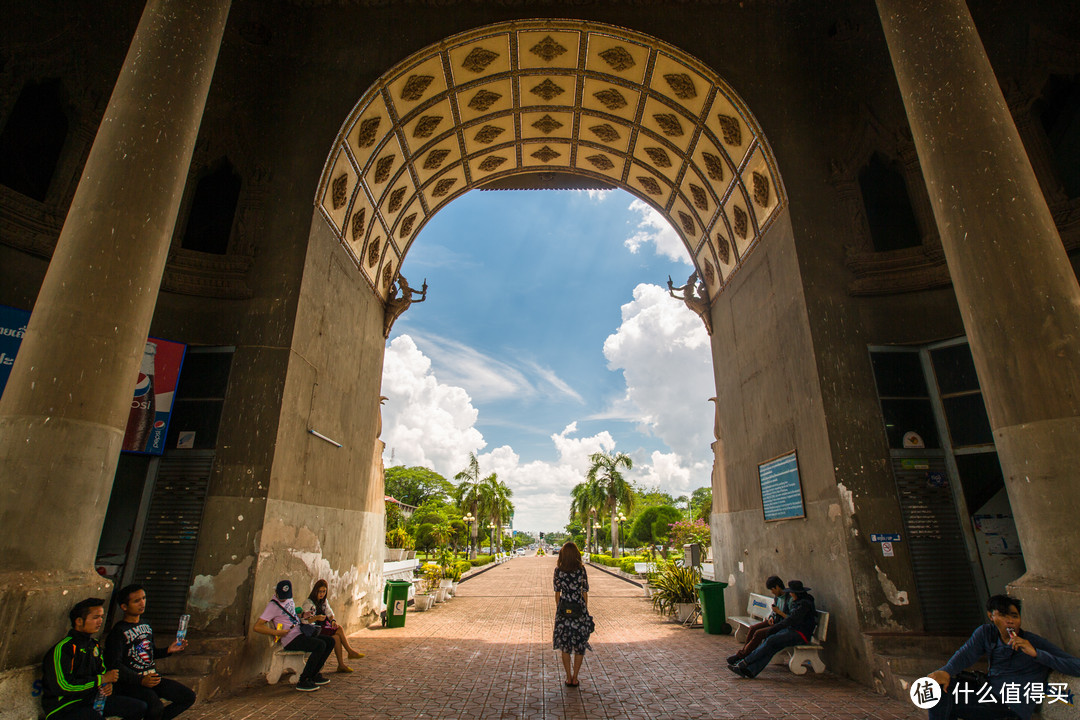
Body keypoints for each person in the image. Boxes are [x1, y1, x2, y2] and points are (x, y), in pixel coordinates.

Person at [926, 594, 1080, 720]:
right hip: (988, 693)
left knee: (946, 705)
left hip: (1009, 708)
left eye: (1014, 616)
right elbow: (966, 654)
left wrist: (1036, 653)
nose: (1010, 621)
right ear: (991, 616)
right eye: (1003, 615)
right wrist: (945, 671)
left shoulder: (1032, 642)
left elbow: (1076, 665)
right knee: (934, 688)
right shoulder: (987, 633)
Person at [41, 597, 147, 720]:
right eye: (96, 617)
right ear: (79, 621)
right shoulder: (64, 648)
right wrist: (100, 680)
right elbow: (63, 686)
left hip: (91, 699)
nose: (100, 621)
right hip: (65, 706)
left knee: (139, 707)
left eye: (102, 617)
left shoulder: (94, 645)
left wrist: (107, 685)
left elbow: (101, 672)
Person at [104, 585, 196, 720]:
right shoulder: (118, 631)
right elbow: (114, 664)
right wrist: (140, 680)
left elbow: (149, 653)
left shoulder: (146, 625)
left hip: (152, 677)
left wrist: (168, 650)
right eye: (136, 601)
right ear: (124, 606)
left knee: (187, 696)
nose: (142, 603)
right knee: (154, 707)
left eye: (143, 598)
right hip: (132, 683)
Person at [253, 580, 335, 692]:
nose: (283, 599)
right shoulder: (272, 606)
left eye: (285, 597)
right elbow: (257, 626)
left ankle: (314, 674)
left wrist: (303, 615)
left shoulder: (289, 599)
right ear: (276, 592)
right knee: (319, 645)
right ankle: (304, 680)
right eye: (281, 596)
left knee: (330, 641)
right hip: (290, 639)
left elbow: (292, 614)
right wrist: (277, 633)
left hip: (300, 632)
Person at [728, 580, 817, 679]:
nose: (790, 594)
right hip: (792, 630)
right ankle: (751, 670)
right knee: (772, 646)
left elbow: (791, 620)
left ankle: (745, 663)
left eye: (792, 592)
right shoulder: (799, 602)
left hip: (801, 634)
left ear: (797, 593)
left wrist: (774, 629)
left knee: (771, 640)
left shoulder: (804, 605)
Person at [553, 541, 594, 688]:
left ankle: (568, 676)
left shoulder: (559, 570)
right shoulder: (581, 570)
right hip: (579, 609)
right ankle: (575, 677)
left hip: (564, 609)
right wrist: (585, 609)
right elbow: (585, 591)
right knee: (579, 644)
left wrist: (559, 609)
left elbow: (557, 592)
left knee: (565, 645)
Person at [726, 575, 791, 665]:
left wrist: (778, 612)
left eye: (772, 589)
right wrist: (772, 616)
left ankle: (742, 656)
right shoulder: (777, 597)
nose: (772, 592)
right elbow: (774, 610)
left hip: (780, 625)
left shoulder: (788, 598)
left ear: (777, 587)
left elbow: (790, 617)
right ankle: (744, 654)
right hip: (774, 621)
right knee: (753, 628)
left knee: (758, 633)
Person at [301, 579, 364, 673]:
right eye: (320, 591)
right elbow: (305, 620)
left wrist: (333, 621)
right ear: (315, 591)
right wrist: (316, 618)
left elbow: (330, 613)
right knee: (339, 629)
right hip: (314, 629)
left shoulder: (323, 602)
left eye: (324, 591)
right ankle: (350, 651)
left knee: (336, 638)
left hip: (323, 627)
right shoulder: (309, 603)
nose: (321, 594)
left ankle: (341, 664)